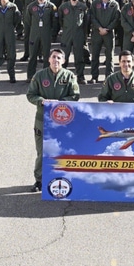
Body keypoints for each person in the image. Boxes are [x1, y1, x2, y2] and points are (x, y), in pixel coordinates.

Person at [26, 48, 81, 192]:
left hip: (64, 121)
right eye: (53, 57)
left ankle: (62, 178)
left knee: (63, 150)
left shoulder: (69, 76)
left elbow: (75, 96)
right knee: (42, 152)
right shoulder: (39, 76)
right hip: (42, 120)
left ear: (63, 61)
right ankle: (39, 180)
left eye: (59, 58)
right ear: (49, 59)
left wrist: (59, 102)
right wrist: (42, 101)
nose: (56, 60)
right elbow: (31, 94)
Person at [57, 0, 89, 83]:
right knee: (63, 56)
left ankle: (80, 76)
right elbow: (60, 20)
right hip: (66, 34)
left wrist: (85, 35)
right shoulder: (63, 7)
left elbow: (86, 22)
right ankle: (62, 76)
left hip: (78, 34)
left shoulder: (83, 7)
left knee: (79, 56)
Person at [89, 0, 120, 82]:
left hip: (109, 33)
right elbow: (92, 17)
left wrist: (107, 29)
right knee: (95, 55)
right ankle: (94, 76)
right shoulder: (95, 3)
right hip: (97, 33)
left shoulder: (114, 4)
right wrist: (99, 28)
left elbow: (116, 19)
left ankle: (109, 77)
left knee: (109, 56)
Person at [25, 0, 58, 79]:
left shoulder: (51, 7)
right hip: (34, 33)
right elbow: (27, 21)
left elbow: (55, 21)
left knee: (47, 56)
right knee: (33, 55)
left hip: (46, 33)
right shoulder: (31, 6)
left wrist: (52, 33)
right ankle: (30, 76)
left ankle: (46, 76)